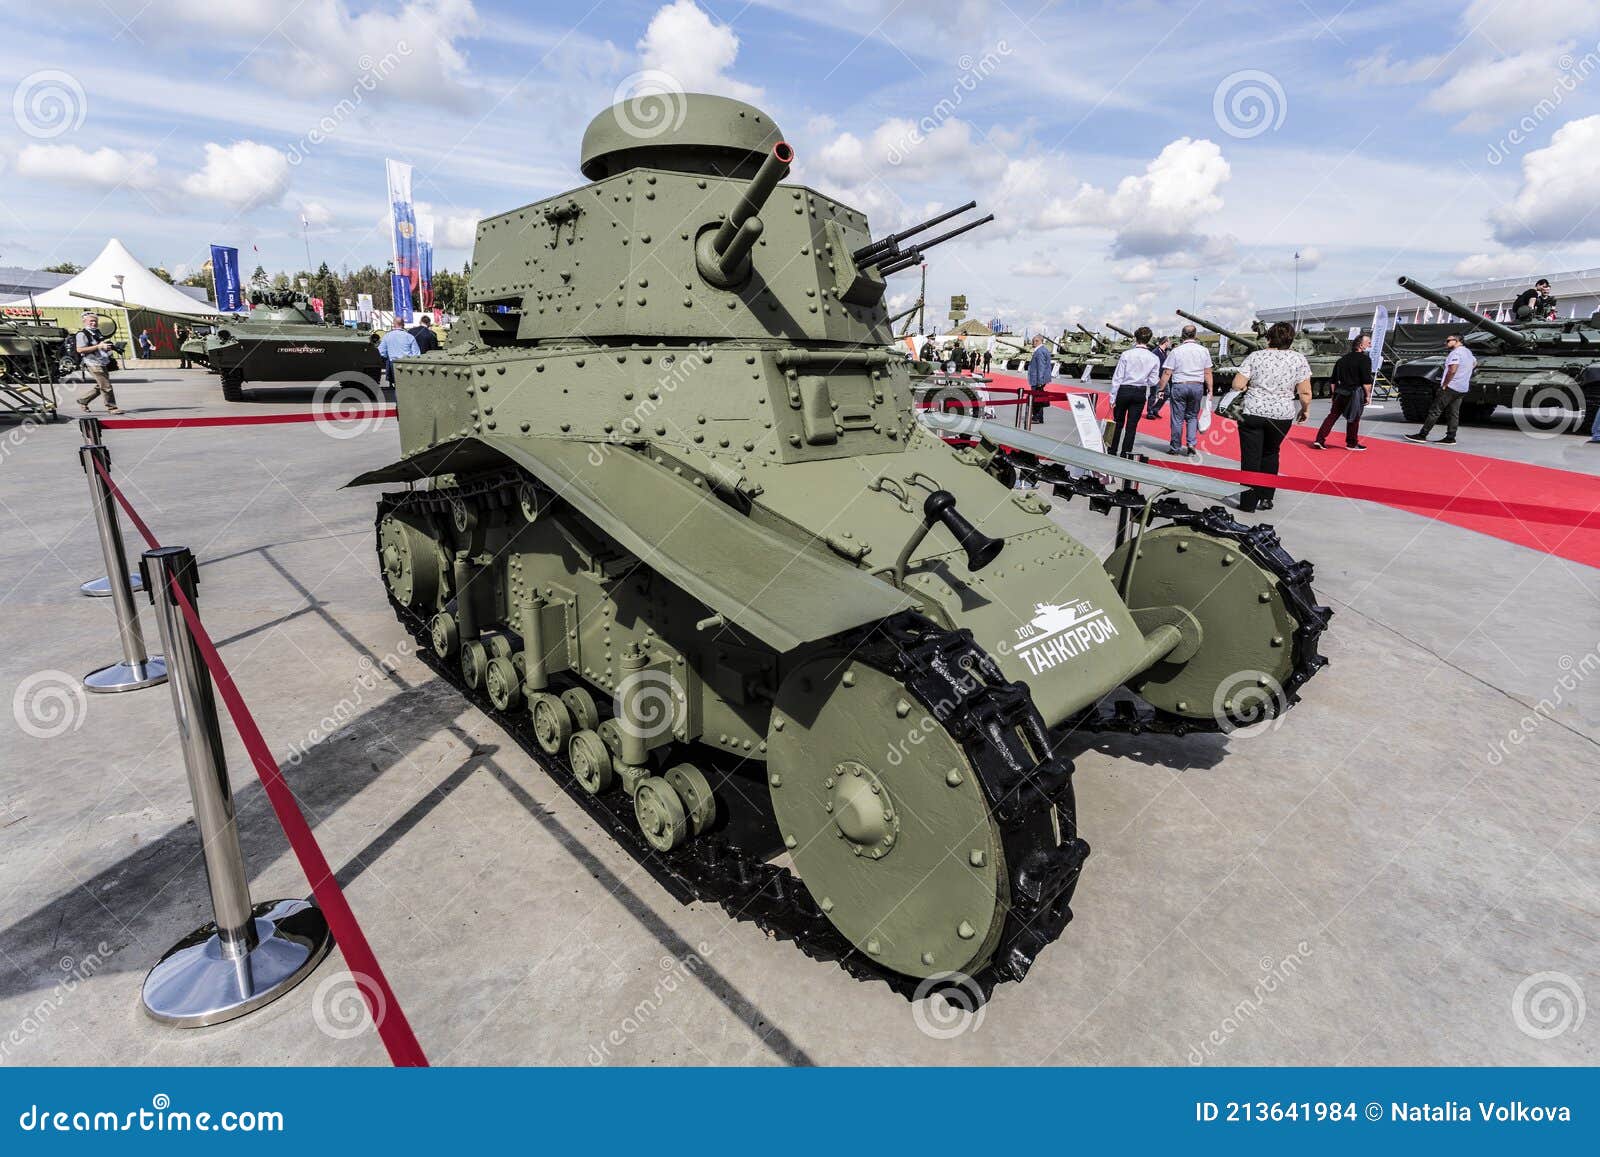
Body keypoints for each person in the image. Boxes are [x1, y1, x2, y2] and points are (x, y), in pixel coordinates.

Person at [1232, 321, 1311, 512]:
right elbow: (1305, 392)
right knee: (1271, 452)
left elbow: (1237, 383)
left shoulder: (1256, 356)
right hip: (1281, 414)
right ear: (1291, 340)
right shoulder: (1298, 359)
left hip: (1253, 411)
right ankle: (1266, 497)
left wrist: (1246, 388)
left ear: (1268, 337)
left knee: (1251, 457)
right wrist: (1305, 409)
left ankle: (1248, 502)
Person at [1405, 333, 1476, 445]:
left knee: (1435, 411)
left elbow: (1452, 370)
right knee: (1454, 413)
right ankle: (1450, 437)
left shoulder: (1456, 353)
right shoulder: (1468, 352)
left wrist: (1445, 384)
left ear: (1457, 341)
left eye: (1448, 341)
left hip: (1451, 387)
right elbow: (1474, 363)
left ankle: (1422, 435)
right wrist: (1464, 374)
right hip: (1462, 388)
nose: (1446, 343)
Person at [1311, 334, 1374, 451]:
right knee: (1354, 418)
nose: (1370, 344)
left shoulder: (1341, 360)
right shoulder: (1365, 359)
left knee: (1332, 416)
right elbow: (1366, 381)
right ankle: (1351, 443)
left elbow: (1333, 380)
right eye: (1368, 342)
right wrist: (1368, 396)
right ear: (1361, 345)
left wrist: (1333, 395)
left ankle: (1319, 440)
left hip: (1340, 392)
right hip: (1355, 393)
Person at [1158, 324, 1212, 455]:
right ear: (1195, 335)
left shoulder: (1176, 351)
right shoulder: (1204, 350)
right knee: (1192, 416)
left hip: (1180, 385)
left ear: (1182, 335)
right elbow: (1208, 372)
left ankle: (1175, 447)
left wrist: (1160, 389)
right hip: (1197, 385)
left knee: (1177, 418)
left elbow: (1167, 372)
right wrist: (1210, 389)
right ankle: (1191, 443)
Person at [1107, 326, 1161, 456]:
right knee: (1132, 426)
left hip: (1124, 390)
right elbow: (1153, 381)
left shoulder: (1126, 354)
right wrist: (1143, 380)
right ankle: (1126, 453)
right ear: (1148, 340)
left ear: (1135, 338)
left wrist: (1112, 396)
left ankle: (1112, 450)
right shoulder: (1154, 358)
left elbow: (1118, 377)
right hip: (1140, 392)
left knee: (1118, 422)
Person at [74, 312, 122, 414]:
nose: (94, 323)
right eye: (91, 321)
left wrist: (109, 347)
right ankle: (112, 407)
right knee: (106, 386)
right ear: (84, 322)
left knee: (102, 385)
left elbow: (100, 344)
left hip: (101, 361)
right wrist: (98, 347)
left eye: (95, 321)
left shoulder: (97, 332)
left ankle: (83, 400)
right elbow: (80, 350)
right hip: (92, 362)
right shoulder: (82, 334)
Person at [378, 318, 421, 385]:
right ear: (403, 324)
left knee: (397, 387)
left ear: (393, 324)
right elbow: (416, 354)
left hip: (393, 364)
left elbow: (381, 352)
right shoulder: (409, 336)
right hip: (407, 364)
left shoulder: (387, 336)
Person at [1026, 335, 1052, 423]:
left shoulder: (1039, 351)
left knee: (1036, 399)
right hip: (1039, 379)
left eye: (1035, 341)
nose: (1033, 342)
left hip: (1037, 379)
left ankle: (1036, 417)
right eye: (1033, 340)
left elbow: (1041, 367)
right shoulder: (1043, 350)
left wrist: (1040, 381)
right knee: (1039, 398)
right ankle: (1039, 417)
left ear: (1039, 341)